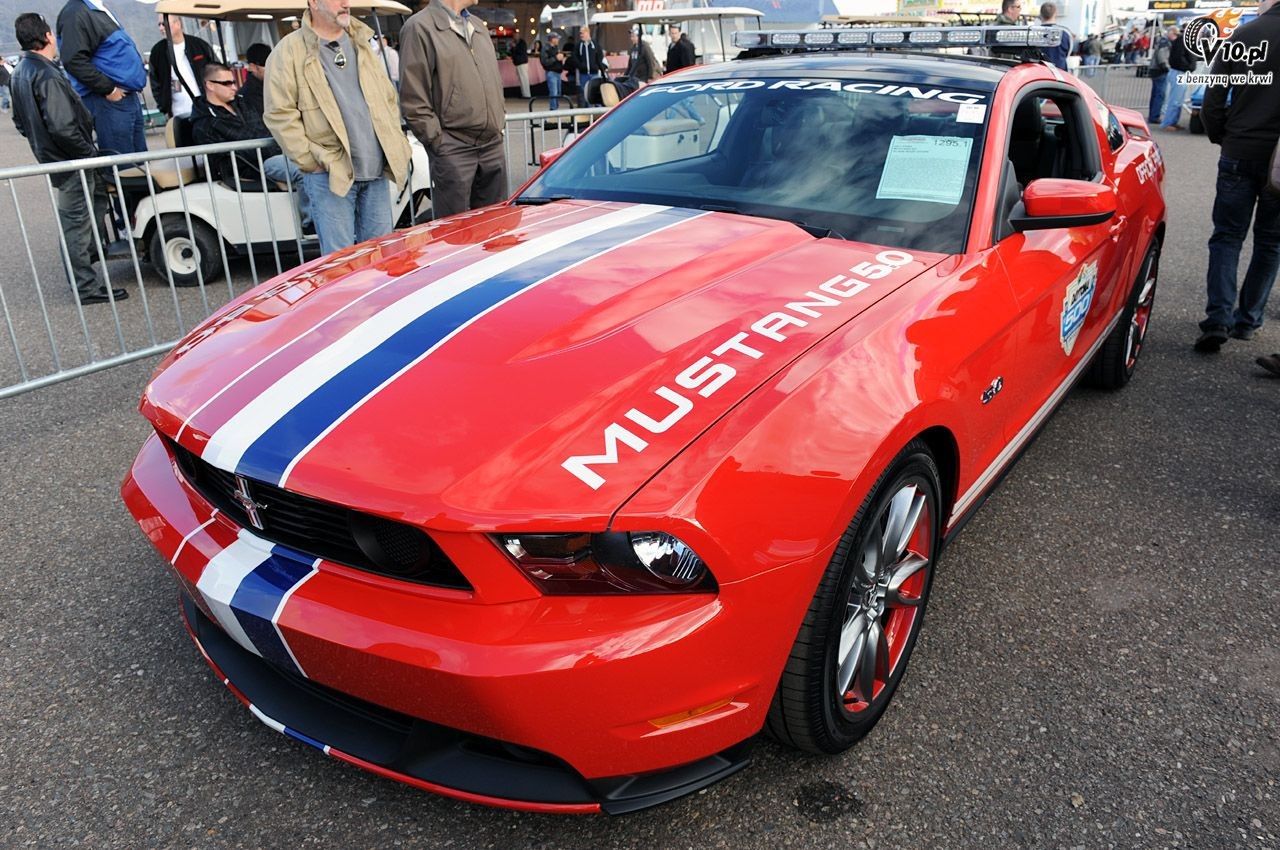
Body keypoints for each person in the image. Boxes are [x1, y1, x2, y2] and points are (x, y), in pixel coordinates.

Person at [263, 0, 410, 254]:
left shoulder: (362, 42)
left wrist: (395, 143)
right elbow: (279, 113)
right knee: (340, 266)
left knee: (381, 261)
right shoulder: (288, 51)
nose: (346, 3)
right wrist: (312, 161)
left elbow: (387, 99)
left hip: (374, 171)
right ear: (313, 3)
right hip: (330, 175)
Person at [10, 13, 126, 305]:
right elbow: (62, 127)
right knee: (76, 223)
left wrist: (42, 146)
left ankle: (88, 271)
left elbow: (20, 122)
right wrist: (87, 155)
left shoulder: (21, 72)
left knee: (86, 214)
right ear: (49, 36)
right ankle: (87, 286)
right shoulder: (46, 74)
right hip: (72, 161)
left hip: (57, 159)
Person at [1195, 0, 1280, 352]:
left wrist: (1220, 135)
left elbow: (1214, 96)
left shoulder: (1243, 34)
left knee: (1227, 237)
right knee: (1270, 242)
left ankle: (1218, 319)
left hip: (1240, 149)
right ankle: (1247, 320)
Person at [400, 0, 507, 220]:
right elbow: (414, 97)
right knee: (455, 237)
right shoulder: (420, 27)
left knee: (495, 230)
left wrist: (499, 125)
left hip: (491, 145)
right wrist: (439, 143)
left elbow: (493, 82)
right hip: (454, 148)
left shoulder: (478, 26)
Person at [190, 62, 308, 223]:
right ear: (210, 85)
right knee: (305, 169)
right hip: (251, 166)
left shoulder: (241, 102)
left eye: (233, 82)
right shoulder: (207, 122)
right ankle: (311, 222)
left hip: (267, 154)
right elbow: (249, 141)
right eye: (227, 83)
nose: (234, 87)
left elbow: (262, 128)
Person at [56, 0, 148, 155]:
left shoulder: (99, 10)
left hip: (128, 98)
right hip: (108, 102)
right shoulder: (76, 13)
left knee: (140, 162)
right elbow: (73, 59)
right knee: (122, 167)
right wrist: (108, 89)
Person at [148, 14, 213, 120]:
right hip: (177, 113)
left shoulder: (199, 45)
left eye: (164, 24)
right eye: (159, 24)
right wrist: (163, 107)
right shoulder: (157, 51)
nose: (161, 28)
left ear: (178, 24)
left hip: (205, 109)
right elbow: (155, 83)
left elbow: (216, 71)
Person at [1160, 25, 1195, 131]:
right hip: (1180, 72)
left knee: (1178, 100)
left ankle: (1173, 122)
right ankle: (1168, 123)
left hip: (1181, 71)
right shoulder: (1183, 41)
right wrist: (1188, 66)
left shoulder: (1183, 40)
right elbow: (1178, 57)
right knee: (1175, 100)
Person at [569, 25, 605, 99]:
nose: (581, 35)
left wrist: (596, 66)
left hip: (594, 73)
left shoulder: (595, 44)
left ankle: (596, 108)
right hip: (583, 74)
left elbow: (600, 56)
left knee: (595, 92)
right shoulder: (578, 45)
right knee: (585, 93)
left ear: (587, 32)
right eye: (580, 33)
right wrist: (580, 66)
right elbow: (574, 57)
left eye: (582, 33)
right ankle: (588, 108)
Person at [1037, 3, 1072, 71]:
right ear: (1055, 13)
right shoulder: (1065, 33)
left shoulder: (1033, 32)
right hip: (1060, 75)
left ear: (1040, 14)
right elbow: (1068, 53)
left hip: (1039, 75)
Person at [239, 42, 270, 116]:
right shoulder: (246, 96)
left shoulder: (275, 83)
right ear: (252, 67)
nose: (272, 68)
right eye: (266, 64)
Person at [1147, 27, 1170, 125]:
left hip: (1155, 70)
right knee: (1160, 95)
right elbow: (1162, 57)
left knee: (1156, 94)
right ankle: (1154, 116)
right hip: (1160, 71)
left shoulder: (1161, 42)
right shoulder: (1165, 44)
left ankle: (1153, 115)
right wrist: (1166, 67)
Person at [540, 31, 566, 110]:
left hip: (558, 73)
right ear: (552, 39)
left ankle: (555, 108)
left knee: (557, 92)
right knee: (553, 92)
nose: (558, 40)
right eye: (557, 38)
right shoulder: (545, 48)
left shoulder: (556, 48)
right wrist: (556, 58)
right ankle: (553, 109)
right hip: (551, 73)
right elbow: (544, 61)